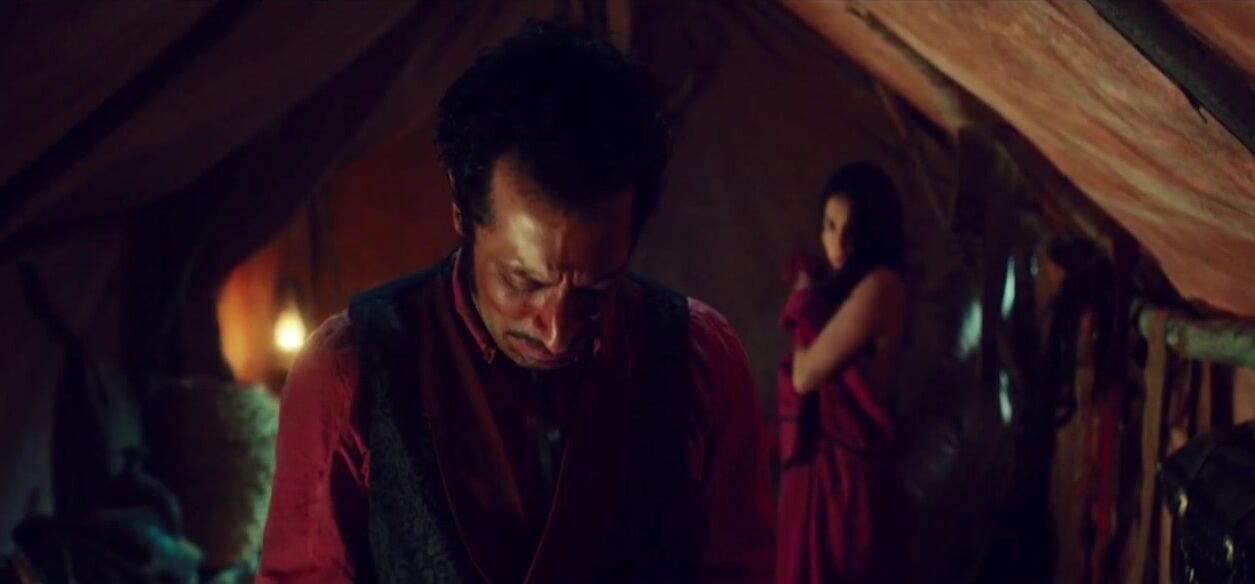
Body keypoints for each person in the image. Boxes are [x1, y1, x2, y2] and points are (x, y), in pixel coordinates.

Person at [257, 22, 775, 583]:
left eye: (596, 288)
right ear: (462, 211)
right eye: (523, 281)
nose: (556, 330)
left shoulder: (699, 360)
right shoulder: (350, 373)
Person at [775, 162, 907, 583]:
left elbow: (805, 376)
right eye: (830, 227)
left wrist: (802, 300)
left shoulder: (881, 286)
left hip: (845, 486)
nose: (837, 244)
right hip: (827, 475)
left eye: (852, 231)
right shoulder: (853, 289)